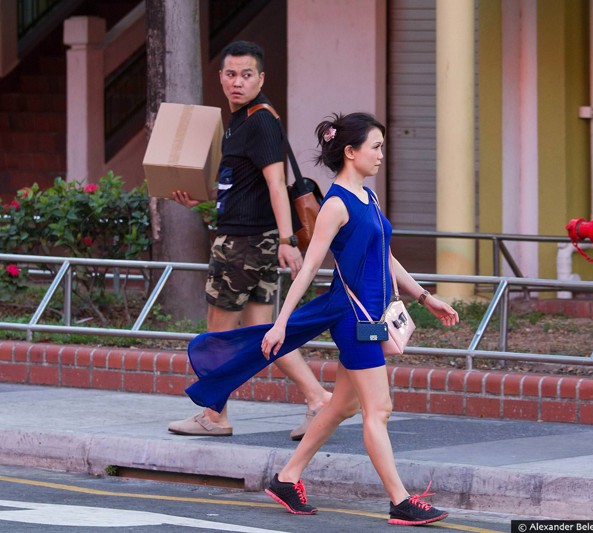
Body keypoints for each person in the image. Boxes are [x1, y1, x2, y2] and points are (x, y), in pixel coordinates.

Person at [182, 112, 459, 526]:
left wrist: (424, 296)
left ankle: (286, 478)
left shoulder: (368, 197)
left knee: (341, 406)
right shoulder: (335, 205)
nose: (382, 155)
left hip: (371, 315)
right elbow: (311, 267)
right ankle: (400, 500)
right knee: (378, 410)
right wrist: (281, 323)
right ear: (351, 152)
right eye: (376, 147)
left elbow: (383, 253)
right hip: (354, 320)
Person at [167, 40, 331, 440]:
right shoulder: (239, 121)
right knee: (261, 331)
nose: (236, 82)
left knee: (219, 333)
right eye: (229, 74)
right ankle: (317, 398)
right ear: (220, 77)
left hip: (243, 243)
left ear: (261, 78)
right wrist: (202, 196)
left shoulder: (259, 120)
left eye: (245, 75)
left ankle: (214, 414)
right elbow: (243, 186)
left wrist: (288, 240)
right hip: (251, 241)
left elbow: (276, 185)